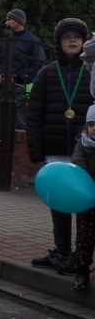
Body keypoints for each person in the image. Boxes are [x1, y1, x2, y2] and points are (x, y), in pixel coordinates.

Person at [26, 18, 91, 275]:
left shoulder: (92, 71)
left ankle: (82, 256)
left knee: (85, 206)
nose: (72, 41)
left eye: (77, 37)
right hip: (54, 149)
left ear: (84, 41)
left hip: (85, 151)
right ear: (58, 42)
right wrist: (36, 150)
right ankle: (62, 251)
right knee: (60, 203)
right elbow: (34, 114)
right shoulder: (47, 73)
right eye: (67, 37)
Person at [69, 104, 95, 291]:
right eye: (91, 125)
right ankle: (82, 271)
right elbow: (79, 168)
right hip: (88, 200)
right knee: (85, 237)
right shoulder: (82, 145)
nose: (94, 129)